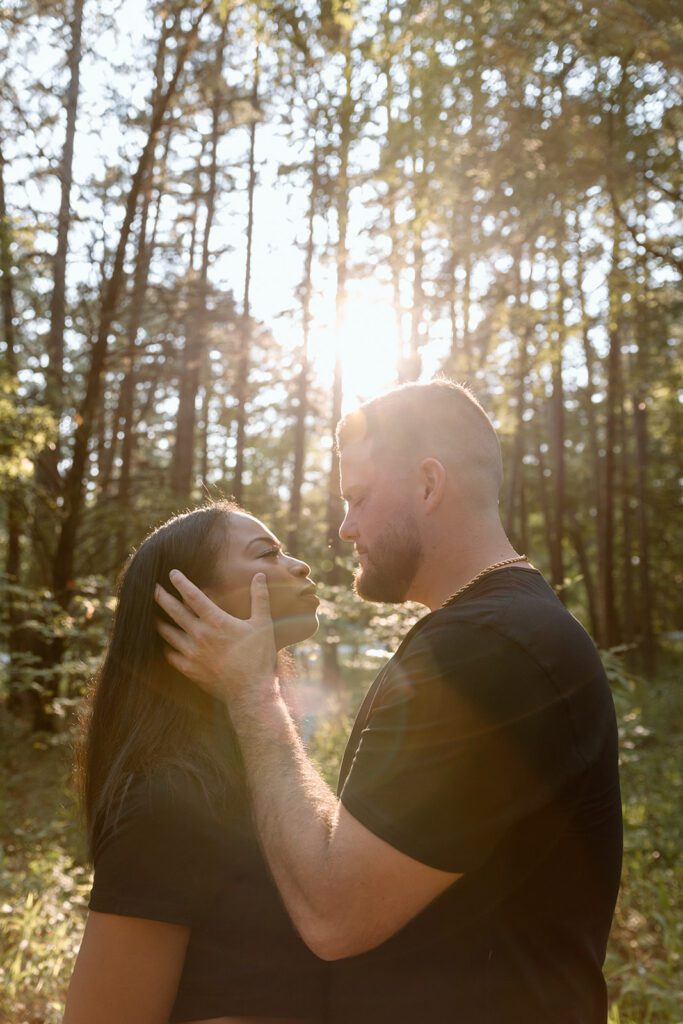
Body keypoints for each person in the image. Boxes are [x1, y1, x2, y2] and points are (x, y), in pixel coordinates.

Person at [155, 379, 623, 1024]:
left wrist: (251, 694)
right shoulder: (490, 632)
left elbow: (336, 914)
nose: (344, 529)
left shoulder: (490, 647)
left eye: (359, 499)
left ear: (429, 486)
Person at [63, 502, 326, 1024]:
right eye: (267, 553)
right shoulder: (167, 803)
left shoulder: (264, 770)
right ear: (194, 601)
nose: (301, 566)